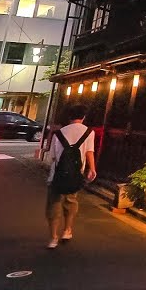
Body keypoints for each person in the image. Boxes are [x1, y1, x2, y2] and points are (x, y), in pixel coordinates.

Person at [46, 105, 96, 248]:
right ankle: (67, 230)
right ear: (84, 117)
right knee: (71, 201)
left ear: (69, 117)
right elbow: (89, 152)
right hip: (75, 174)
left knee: (53, 204)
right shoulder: (89, 132)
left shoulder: (59, 133)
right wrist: (92, 168)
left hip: (57, 175)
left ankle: (53, 237)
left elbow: (53, 157)